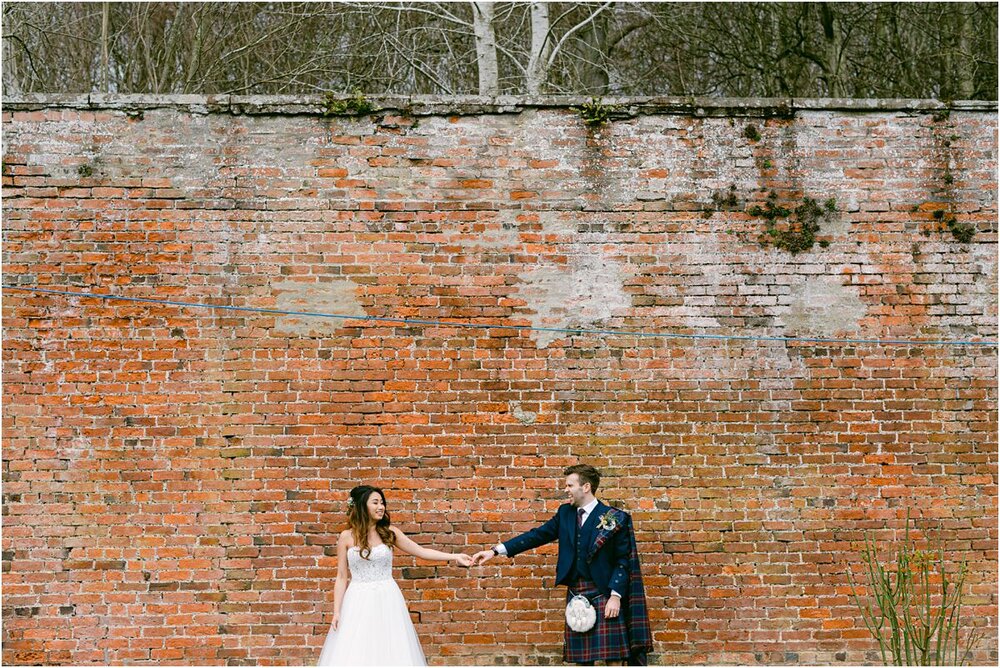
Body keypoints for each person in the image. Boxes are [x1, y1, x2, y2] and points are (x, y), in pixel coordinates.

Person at [472, 464, 653, 665]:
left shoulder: (614, 517)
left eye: (569, 485)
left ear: (585, 487)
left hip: (604, 594)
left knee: (614, 659)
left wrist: (615, 596)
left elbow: (623, 561)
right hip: (577, 594)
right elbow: (537, 536)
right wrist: (495, 550)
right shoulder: (565, 513)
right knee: (582, 661)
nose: (565, 489)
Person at [317, 485, 473, 666]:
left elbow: (421, 551)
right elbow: (342, 576)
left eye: (382, 503)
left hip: (387, 597)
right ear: (361, 506)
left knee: (390, 646)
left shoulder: (389, 532)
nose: (381, 507)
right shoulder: (346, 537)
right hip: (357, 599)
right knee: (357, 648)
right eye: (375, 502)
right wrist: (336, 611)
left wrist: (455, 557)